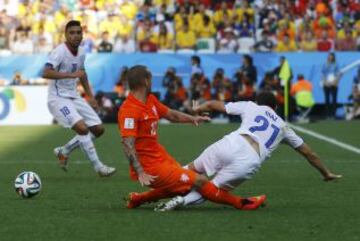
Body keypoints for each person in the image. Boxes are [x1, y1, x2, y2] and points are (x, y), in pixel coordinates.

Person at [156, 92, 341, 211]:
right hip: (250, 160)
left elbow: (214, 104)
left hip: (232, 143)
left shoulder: (251, 106)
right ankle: (179, 202)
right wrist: (326, 173)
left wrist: (198, 108)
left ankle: (158, 187)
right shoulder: (283, 127)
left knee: (189, 169)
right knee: (211, 190)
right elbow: (310, 153)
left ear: (258, 102)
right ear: (275, 108)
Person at [118, 65, 266, 210]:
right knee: (199, 181)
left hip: (160, 157)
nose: (152, 82)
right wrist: (140, 172)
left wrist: (192, 118)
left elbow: (171, 114)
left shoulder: (150, 100)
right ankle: (241, 203)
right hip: (149, 167)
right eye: (150, 78)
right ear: (145, 81)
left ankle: (138, 199)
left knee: (182, 186)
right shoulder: (129, 110)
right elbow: (127, 143)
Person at [42, 20, 116, 176]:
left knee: (98, 129)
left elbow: (82, 73)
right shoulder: (59, 52)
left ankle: (64, 150)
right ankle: (99, 167)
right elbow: (46, 72)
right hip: (58, 98)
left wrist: (90, 95)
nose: (75, 36)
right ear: (66, 35)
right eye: (72, 33)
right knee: (82, 128)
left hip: (74, 96)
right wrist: (69, 75)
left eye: (78, 32)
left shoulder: (82, 52)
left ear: (82, 35)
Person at [321, 52, 340, 118]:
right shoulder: (325, 64)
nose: (330, 57)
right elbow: (322, 74)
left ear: (333, 57)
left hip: (334, 84)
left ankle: (333, 114)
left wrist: (335, 81)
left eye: (331, 56)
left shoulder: (336, 64)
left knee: (334, 99)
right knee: (327, 99)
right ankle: (327, 114)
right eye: (329, 56)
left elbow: (338, 74)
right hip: (326, 84)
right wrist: (325, 82)